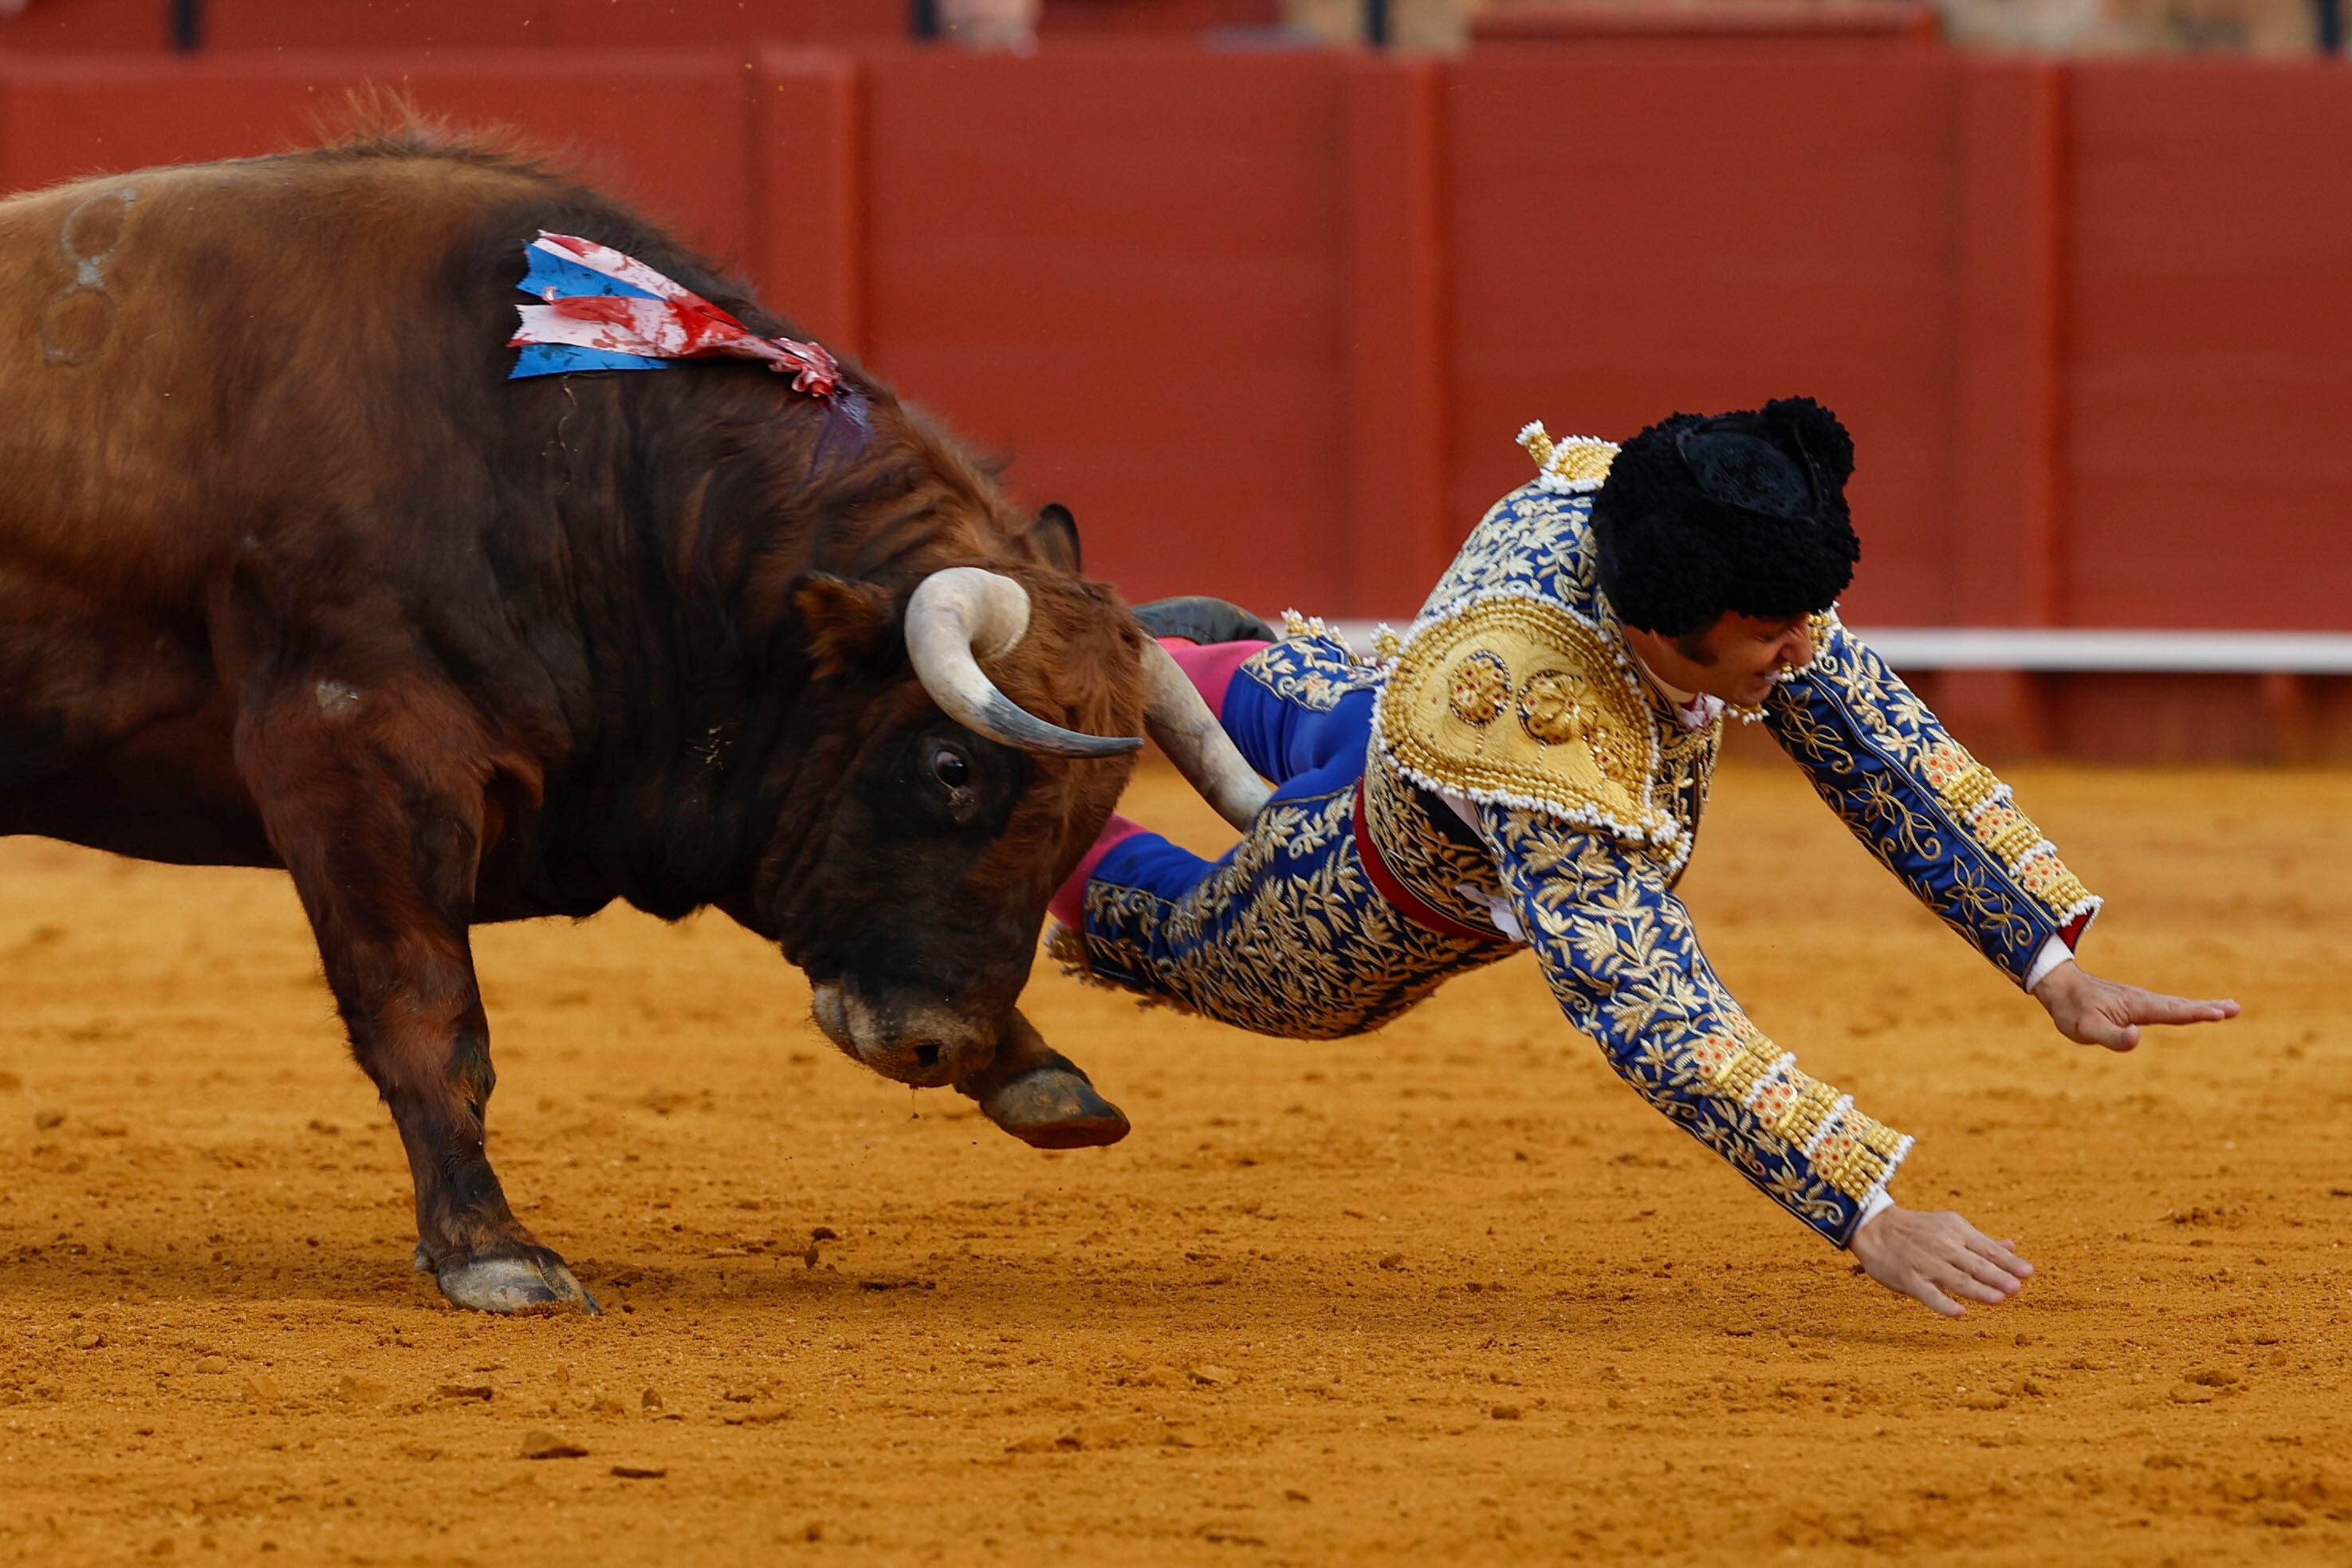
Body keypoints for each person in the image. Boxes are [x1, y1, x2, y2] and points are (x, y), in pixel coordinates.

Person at [1018, 399, 2239, 1318]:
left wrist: (2046, 966)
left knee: (1342, 710)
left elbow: (1874, 746)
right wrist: (1864, 1210)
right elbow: (1649, 1004)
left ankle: (1139, 657)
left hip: (1403, 715)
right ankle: (1032, 817)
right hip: (1368, 888)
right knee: (1195, 937)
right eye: (1768, 636)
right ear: (1664, 628)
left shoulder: (1676, 538)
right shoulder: (1548, 735)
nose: (1799, 648)